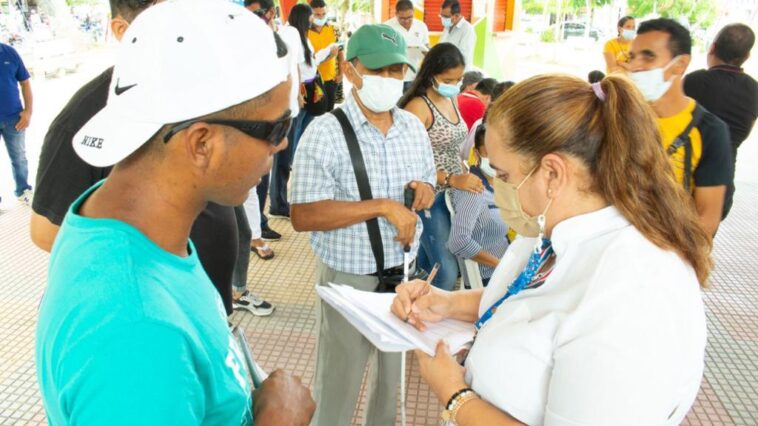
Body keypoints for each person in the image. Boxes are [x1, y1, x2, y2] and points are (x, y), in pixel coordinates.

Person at [35, 1, 314, 424]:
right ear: (201, 143)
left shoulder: (126, 217)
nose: (280, 146)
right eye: (276, 129)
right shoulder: (136, 333)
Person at [391, 74, 711, 426]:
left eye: (504, 174)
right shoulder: (557, 231)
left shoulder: (636, 290)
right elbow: (530, 302)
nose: (497, 186)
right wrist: (448, 303)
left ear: (553, 174)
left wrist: (455, 396)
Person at [29, 0, 275, 317]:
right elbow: (46, 232)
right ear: (121, 29)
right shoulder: (86, 118)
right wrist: (159, 278)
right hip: (150, 315)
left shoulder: (203, 86)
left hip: (204, 309)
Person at [290, 24, 436, 426]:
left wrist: (425, 190)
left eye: (396, 70)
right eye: (378, 69)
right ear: (350, 70)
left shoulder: (412, 128)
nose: (389, 80)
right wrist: (382, 206)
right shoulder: (325, 133)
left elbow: (429, 184)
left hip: (401, 276)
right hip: (348, 280)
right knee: (339, 384)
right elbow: (303, 215)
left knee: (391, 386)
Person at [629, 18, 734, 235]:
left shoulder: (710, 132)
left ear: (680, 64)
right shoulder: (620, 118)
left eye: (648, 56)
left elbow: (707, 217)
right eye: (632, 57)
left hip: (666, 255)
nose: (635, 66)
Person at [400, 43, 479, 291]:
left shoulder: (450, 97)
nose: (454, 84)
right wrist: (450, 179)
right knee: (446, 270)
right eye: (448, 79)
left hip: (452, 195)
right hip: (429, 196)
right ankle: (429, 316)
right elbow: (407, 161)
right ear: (431, 74)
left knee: (427, 262)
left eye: (458, 79)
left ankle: (413, 305)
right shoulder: (417, 107)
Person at [684, 23, 757, 217]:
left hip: (686, 180)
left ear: (713, 47)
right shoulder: (754, 89)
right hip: (723, 185)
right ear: (747, 56)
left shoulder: (694, 81)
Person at [447, 124, 509, 286]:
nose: (495, 159)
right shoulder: (473, 190)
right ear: (476, 153)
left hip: (506, 270)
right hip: (489, 278)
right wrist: (499, 265)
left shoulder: (501, 186)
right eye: (488, 152)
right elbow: (458, 241)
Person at [267, 0, 305, 219]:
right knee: (280, 158)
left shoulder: (288, 34)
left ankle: (279, 202)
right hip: (285, 107)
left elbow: (296, 67)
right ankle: (277, 204)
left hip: (289, 105)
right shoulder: (290, 34)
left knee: (282, 158)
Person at [0, 41, 33, 205]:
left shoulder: (9, 52)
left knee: (19, 157)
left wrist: (28, 112)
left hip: (14, 118)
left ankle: (23, 191)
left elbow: (25, 82)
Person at [384, 0, 430, 92]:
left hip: (414, 76)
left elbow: (426, 46)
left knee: (410, 105)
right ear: (396, 13)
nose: (406, 21)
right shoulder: (387, 27)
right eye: (402, 18)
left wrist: (427, 53)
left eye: (410, 17)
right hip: (393, 77)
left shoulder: (421, 26)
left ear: (413, 12)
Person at [308, 0, 343, 112]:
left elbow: (340, 52)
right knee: (315, 112)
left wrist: (341, 73)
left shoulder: (334, 30)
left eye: (323, 14)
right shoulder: (304, 32)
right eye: (317, 14)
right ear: (310, 15)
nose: (321, 17)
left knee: (329, 111)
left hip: (330, 79)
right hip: (312, 80)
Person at [439, 0, 476, 71]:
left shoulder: (467, 29)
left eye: (446, 17)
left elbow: (462, 57)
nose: (443, 19)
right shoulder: (447, 27)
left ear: (456, 16)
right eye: (441, 16)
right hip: (444, 72)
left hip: (459, 74)